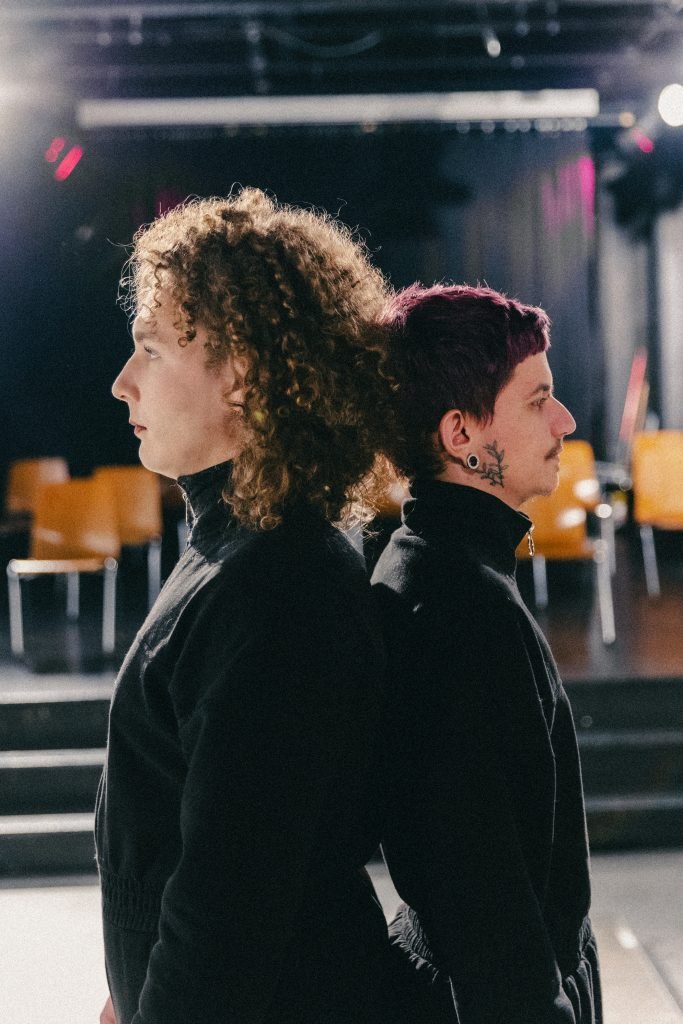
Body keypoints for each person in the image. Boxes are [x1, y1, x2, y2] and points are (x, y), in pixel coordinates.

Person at [97, 187, 402, 1024]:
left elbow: (227, 912)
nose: (122, 384)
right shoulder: (239, 550)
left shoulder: (278, 587)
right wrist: (130, 991)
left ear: (240, 374)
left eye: (150, 351)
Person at [372, 284, 602, 1023]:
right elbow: (482, 902)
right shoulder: (456, 607)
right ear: (460, 433)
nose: (564, 420)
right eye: (537, 401)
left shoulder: (438, 566)